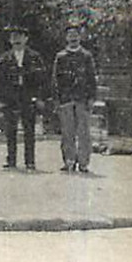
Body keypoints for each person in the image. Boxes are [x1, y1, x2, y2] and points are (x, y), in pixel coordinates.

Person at [0, 23, 48, 171]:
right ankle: (11, 160)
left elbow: (42, 79)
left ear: (26, 39)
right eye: (13, 37)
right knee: (10, 130)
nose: (16, 40)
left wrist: (39, 98)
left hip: (28, 96)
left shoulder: (34, 57)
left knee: (29, 130)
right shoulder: (5, 58)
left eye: (19, 37)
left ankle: (30, 161)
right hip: (10, 98)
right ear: (10, 40)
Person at [52, 24, 99, 174]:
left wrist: (92, 97)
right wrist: (56, 99)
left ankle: (84, 162)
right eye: (70, 35)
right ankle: (69, 160)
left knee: (84, 132)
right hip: (65, 99)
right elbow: (55, 79)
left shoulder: (86, 56)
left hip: (82, 99)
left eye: (75, 35)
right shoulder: (60, 57)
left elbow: (92, 79)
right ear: (66, 38)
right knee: (67, 132)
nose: (73, 37)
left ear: (80, 37)